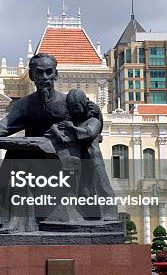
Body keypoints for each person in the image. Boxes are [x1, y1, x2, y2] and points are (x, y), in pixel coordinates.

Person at [0, 53, 69, 232]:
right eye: (39, 73)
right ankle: (14, 221)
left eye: (48, 72)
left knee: (19, 157)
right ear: (31, 76)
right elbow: (5, 125)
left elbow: (91, 123)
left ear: (56, 75)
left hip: (63, 161)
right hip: (33, 160)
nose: (44, 78)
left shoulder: (68, 102)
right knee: (16, 155)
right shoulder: (26, 104)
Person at [46, 88, 118, 221]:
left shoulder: (93, 121)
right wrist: (56, 129)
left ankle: (110, 213)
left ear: (84, 105)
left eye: (77, 107)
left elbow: (89, 133)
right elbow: (57, 130)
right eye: (72, 108)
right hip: (78, 160)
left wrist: (71, 128)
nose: (75, 111)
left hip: (92, 159)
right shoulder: (72, 122)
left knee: (102, 187)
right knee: (84, 190)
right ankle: (87, 214)